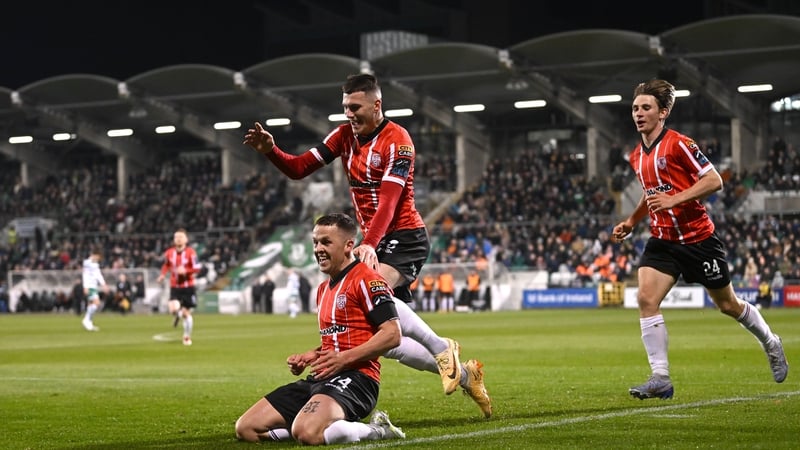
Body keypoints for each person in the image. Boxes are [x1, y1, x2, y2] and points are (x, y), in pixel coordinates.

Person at [244, 73, 491, 417]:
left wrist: (370, 243)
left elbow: (390, 200)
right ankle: (466, 375)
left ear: (377, 105)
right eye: (345, 107)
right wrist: (271, 151)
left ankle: (441, 347)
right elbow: (300, 168)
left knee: (375, 292)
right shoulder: (343, 135)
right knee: (385, 342)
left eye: (355, 107)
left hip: (404, 236)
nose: (349, 114)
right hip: (376, 238)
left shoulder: (398, 140)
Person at [611, 79, 789, 400]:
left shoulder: (679, 144)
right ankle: (660, 378)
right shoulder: (637, 155)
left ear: (663, 113)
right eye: (635, 108)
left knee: (727, 305)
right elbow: (650, 194)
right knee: (646, 300)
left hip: (698, 239)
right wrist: (631, 221)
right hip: (662, 240)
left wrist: (674, 199)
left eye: (646, 108)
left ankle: (770, 342)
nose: (638, 113)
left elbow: (714, 180)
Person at [235, 213, 406, 445]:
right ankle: (314, 424)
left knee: (307, 433)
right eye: (315, 242)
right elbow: (337, 339)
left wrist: (344, 359)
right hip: (322, 376)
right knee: (246, 428)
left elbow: (392, 334)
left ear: (349, 246)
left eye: (326, 242)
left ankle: (376, 430)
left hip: (357, 379)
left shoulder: (367, 280)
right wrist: (312, 355)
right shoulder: (323, 289)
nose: (318, 249)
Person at [157, 229, 200, 346]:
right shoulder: (169, 253)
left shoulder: (191, 253)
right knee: (173, 309)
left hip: (188, 287)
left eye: (181, 237)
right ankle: (178, 314)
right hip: (175, 286)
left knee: (186, 313)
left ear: (186, 239)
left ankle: (186, 336)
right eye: (176, 237)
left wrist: (186, 271)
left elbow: (197, 268)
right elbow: (166, 265)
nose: (178, 239)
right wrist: (162, 275)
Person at [81, 247, 106, 331]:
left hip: (93, 286)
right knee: (97, 303)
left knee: (91, 304)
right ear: (95, 255)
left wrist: (103, 284)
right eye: (98, 257)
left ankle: (89, 323)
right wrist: (85, 287)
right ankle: (86, 320)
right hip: (90, 286)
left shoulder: (93, 264)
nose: (99, 259)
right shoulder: (88, 263)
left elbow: (97, 275)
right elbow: (86, 275)